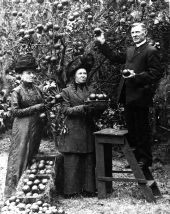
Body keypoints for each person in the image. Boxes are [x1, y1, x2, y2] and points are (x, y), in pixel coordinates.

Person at [95, 22, 163, 170]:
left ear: (144, 33)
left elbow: (156, 73)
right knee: (131, 129)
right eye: (133, 33)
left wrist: (136, 76)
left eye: (137, 32)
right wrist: (103, 43)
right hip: (128, 96)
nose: (135, 35)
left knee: (141, 129)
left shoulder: (150, 50)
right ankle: (135, 159)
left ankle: (145, 160)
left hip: (141, 96)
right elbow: (114, 57)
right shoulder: (131, 50)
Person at [58, 63, 107, 197]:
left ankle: (89, 189)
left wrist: (99, 108)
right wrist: (83, 108)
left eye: (85, 73)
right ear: (74, 76)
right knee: (73, 159)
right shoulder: (66, 91)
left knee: (88, 158)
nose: (83, 76)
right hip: (73, 128)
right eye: (80, 73)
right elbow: (65, 110)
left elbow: (96, 109)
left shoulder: (91, 90)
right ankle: (71, 190)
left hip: (87, 127)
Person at [4, 53, 46, 198]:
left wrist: (47, 107)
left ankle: (29, 189)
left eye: (33, 73)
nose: (32, 76)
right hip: (22, 128)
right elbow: (15, 111)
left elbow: (43, 105)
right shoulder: (17, 92)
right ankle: (13, 193)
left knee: (32, 155)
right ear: (21, 75)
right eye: (28, 73)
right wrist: (36, 108)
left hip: (36, 127)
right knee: (20, 156)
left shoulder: (38, 89)